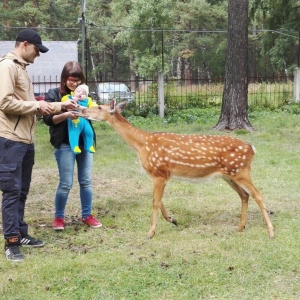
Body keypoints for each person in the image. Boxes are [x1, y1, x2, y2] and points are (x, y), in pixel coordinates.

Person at [0, 29, 77, 262]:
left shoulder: (22, 68)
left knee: (22, 190)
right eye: (36, 49)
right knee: (12, 192)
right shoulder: (7, 67)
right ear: (25, 44)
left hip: (25, 140)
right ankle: (11, 242)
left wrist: (60, 107)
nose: (38, 55)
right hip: (10, 140)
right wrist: (35, 107)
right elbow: (4, 101)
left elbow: (31, 103)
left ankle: (20, 233)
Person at [43, 61, 102, 232]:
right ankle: (59, 217)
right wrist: (66, 114)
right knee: (65, 183)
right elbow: (48, 120)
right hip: (64, 145)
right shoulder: (54, 94)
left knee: (86, 181)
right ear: (64, 79)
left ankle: (87, 215)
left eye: (78, 80)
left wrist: (88, 110)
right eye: (71, 80)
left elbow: (94, 114)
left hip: (85, 144)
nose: (74, 84)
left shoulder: (84, 95)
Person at [61, 84, 97, 154]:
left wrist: (79, 106)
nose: (80, 94)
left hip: (85, 121)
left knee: (89, 132)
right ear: (74, 92)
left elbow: (93, 108)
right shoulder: (68, 97)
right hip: (75, 120)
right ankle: (75, 146)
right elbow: (63, 102)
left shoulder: (88, 100)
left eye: (84, 93)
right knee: (74, 133)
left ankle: (89, 146)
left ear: (86, 96)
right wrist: (71, 100)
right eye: (78, 91)